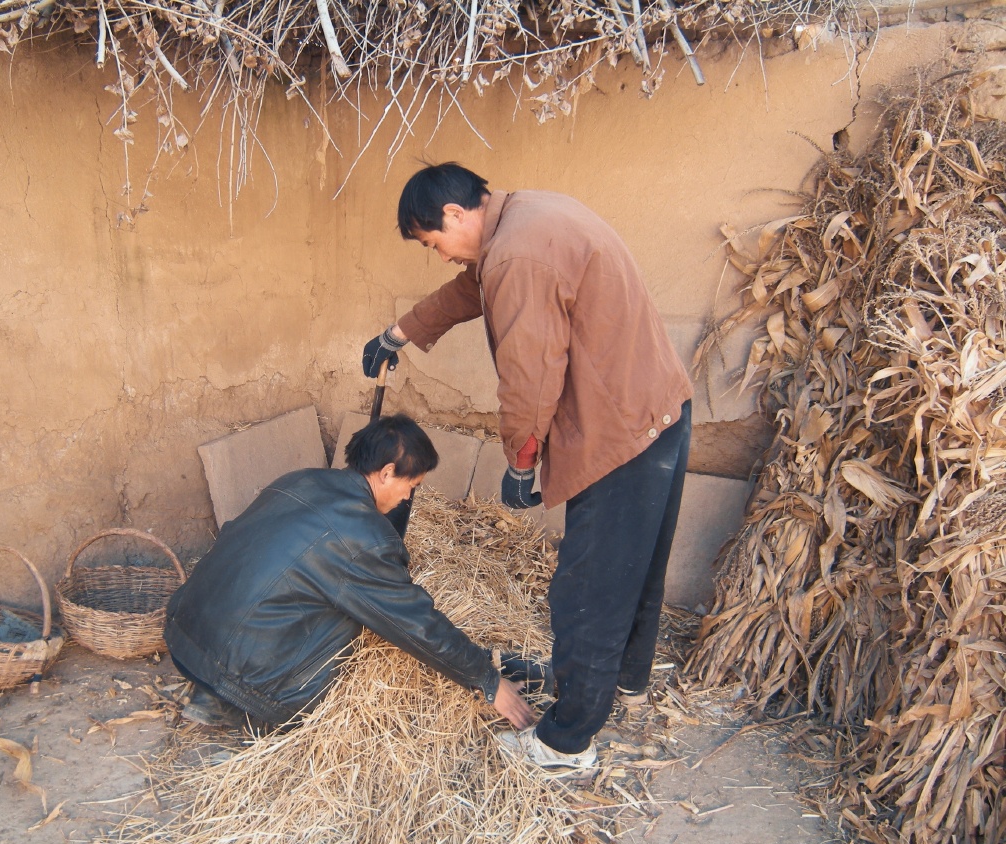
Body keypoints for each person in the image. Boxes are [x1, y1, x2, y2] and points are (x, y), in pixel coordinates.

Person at [362, 163, 693, 771]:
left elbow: (530, 370)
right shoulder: (525, 218)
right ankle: (622, 680)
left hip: (617, 428)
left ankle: (567, 740)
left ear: (457, 215)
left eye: (434, 243)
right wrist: (400, 333)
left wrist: (521, 458)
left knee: (588, 587)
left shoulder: (516, 256)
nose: (440, 257)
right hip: (658, 409)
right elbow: (473, 288)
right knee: (634, 564)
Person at [163, 413, 535, 733]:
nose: (408, 498)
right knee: (361, 621)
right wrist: (487, 680)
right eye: (411, 486)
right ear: (387, 473)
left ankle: (212, 694)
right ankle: (232, 703)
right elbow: (415, 623)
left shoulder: (300, 479)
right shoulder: (361, 539)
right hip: (249, 683)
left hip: (184, 636)